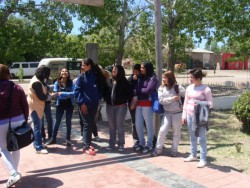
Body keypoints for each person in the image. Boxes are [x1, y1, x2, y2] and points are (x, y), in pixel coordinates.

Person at [0, 64, 28, 188]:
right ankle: (15, 173)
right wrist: (25, 121)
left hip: (1, 122)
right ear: (8, 74)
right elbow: (25, 105)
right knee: (16, 147)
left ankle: (13, 173)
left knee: (3, 149)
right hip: (18, 120)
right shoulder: (16, 87)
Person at [182, 68, 213, 168]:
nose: (190, 79)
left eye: (192, 77)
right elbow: (185, 102)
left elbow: (210, 104)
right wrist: (184, 115)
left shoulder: (206, 89)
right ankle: (193, 155)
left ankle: (203, 159)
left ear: (198, 78)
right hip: (189, 115)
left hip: (200, 117)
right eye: (190, 77)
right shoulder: (189, 88)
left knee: (201, 138)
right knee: (192, 136)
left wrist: (200, 104)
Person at [74, 58, 106, 155]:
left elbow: (101, 88)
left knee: (90, 123)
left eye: (84, 65)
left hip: (94, 105)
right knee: (87, 124)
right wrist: (82, 103)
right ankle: (86, 146)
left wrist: (98, 98)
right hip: (84, 105)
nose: (82, 67)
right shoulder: (81, 77)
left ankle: (88, 143)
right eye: (82, 65)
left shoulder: (96, 76)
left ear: (89, 66)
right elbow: (77, 91)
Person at [151, 71, 185, 157]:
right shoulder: (161, 88)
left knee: (176, 132)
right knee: (162, 130)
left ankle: (174, 150)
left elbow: (187, 97)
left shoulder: (178, 88)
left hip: (177, 113)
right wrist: (172, 98)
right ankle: (158, 149)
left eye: (165, 77)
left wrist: (184, 106)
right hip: (167, 113)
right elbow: (161, 101)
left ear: (170, 78)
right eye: (163, 77)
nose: (163, 79)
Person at [103, 65, 132, 152]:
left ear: (120, 71)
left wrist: (121, 99)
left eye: (115, 69)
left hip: (121, 107)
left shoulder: (124, 82)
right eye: (113, 69)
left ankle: (121, 144)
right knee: (112, 126)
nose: (113, 70)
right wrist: (107, 99)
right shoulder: (109, 81)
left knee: (120, 126)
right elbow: (105, 92)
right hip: (110, 106)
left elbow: (129, 94)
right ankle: (111, 143)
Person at [27, 65, 55, 154]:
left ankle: (37, 144)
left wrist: (54, 86)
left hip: (37, 106)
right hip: (35, 106)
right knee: (37, 127)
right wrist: (52, 96)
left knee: (38, 126)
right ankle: (38, 148)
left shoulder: (38, 80)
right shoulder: (36, 83)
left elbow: (46, 87)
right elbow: (42, 97)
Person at [46, 68, 75, 146]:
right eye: (63, 71)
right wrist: (66, 95)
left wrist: (62, 93)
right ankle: (53, 138)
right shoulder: (56, 83)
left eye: (66, 71)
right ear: (60, 73)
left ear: (68, 73)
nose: (64, 72)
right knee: (57, 122)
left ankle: (68, 139)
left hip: (69, 105)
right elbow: (56, 95)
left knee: (68, 122)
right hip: (60, 105)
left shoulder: (71, 82)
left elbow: (73, 93)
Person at [134, 62, 158, 153]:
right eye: (140, 67)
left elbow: (148, 90)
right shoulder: (140, 77)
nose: (141, 69)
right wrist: (139, 90)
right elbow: (135, 90)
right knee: (138, 124)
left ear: (148, 68)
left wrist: (139, 90)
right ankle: (141, 143)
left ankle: (150, 144)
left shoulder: (153, 78)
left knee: (149, 125)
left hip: (148, 104)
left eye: (143, 67)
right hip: (139, 103)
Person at [127, 64, 141, 148]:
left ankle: (146, 139)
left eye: (136, 71)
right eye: (134, 71)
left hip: (141, 103)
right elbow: (127, 88)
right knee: (134, 122)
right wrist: (132, 80)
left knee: (143, 122)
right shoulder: (130, 78)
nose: (135, 73)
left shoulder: (142, 78)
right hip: (132, 103)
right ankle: (136, 140)